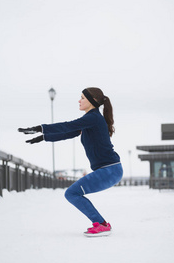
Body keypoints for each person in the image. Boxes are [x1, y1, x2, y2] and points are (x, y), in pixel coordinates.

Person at [18, 87, 123, 237]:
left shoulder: (93, 118)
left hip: (109, 170)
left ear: (92, 101)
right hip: (110, 170)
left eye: (82, 98)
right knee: (73, 193)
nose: (79, 101)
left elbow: (68, 125)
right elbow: (68, 132)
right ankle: (101, 223)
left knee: (72, 193)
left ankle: (101, 224)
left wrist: (40, 128)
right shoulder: (91, 120)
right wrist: (43, 137)